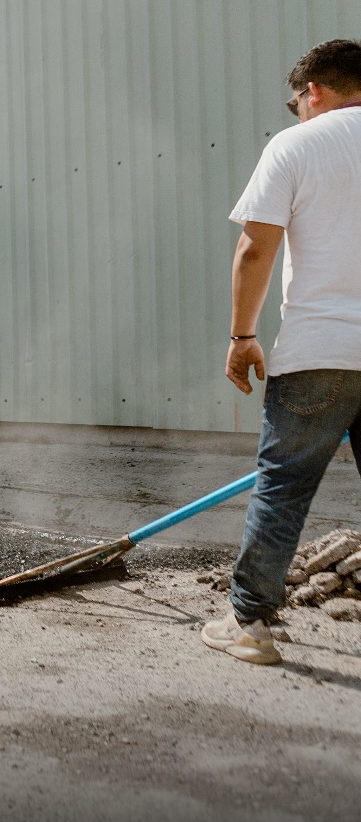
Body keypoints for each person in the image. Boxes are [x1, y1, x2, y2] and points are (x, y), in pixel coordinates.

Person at [205, 39, 361, 665]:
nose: (296, 109)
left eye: (295, 99)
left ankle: (251, 626)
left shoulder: (297, 144)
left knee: (283, 486)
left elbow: (255, 248)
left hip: (320, 352)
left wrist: (243, 336)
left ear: (314, 92)